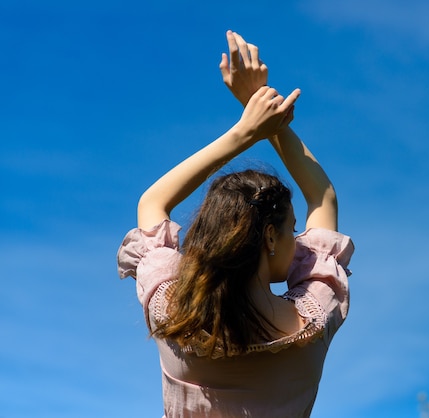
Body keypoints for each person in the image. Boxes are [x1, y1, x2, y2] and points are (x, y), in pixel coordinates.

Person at [116, 31, 355, 418]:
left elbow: (153, 202)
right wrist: (266, 116)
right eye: (292, 229)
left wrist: (246, 129)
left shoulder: (170, 312)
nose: (299, 241)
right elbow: (322, 197)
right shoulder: (313, 319)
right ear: (268, 237)